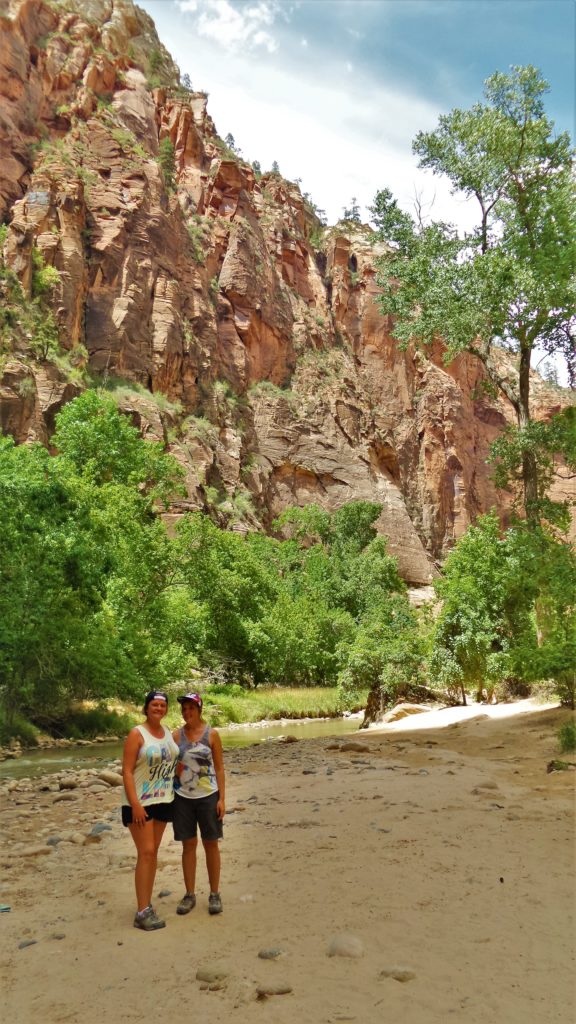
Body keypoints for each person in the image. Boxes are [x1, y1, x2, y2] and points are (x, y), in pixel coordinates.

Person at [121, 690, 179, 931]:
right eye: (154, 704)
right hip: (140, 803)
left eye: (162, 705)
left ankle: (146, 903)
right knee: (145, 852)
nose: (158, 708)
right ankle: (142, 912)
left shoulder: (168, 732)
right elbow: (126, 771)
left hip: (163, 799)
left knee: (152, 853)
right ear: (146, 708)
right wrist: (134, 804)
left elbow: (173, 761)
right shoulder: (137, 733)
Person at [172, 692, 226, 916]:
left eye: (191, 708)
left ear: (199, 709)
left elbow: (219, 768)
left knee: (211, 844)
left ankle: (214, 894)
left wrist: (222, 799)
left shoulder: (211, 734)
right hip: (182, 798)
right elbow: (170, 765)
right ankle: (189, 895)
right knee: (188, 845)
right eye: (184, 709)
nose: (187, 713)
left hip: (208, 796)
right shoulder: (176, 736)